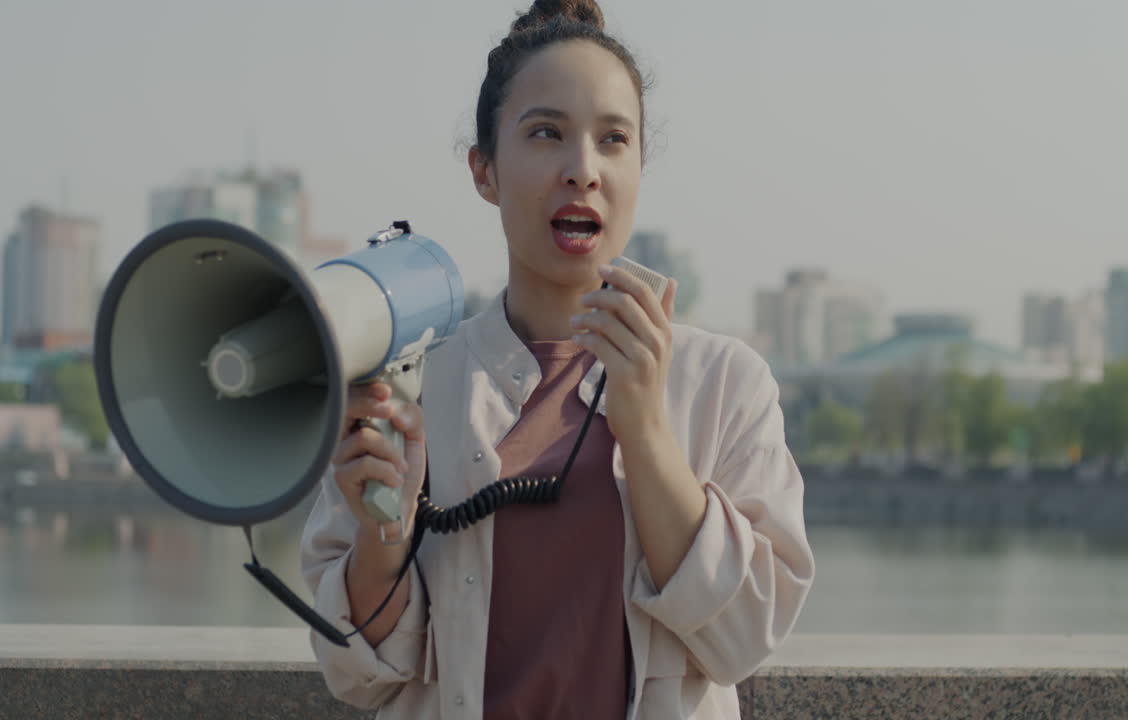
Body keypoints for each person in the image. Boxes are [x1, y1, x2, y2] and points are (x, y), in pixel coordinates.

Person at [300, 1, 815, 717]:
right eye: (546, 134)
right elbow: (357, 678)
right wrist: (382, 535)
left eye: (613, 140)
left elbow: (744, 639)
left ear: (639, 167)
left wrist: (647, 432)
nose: (583, 170)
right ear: (484, 171)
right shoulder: (406, 382)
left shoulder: (724, 382)